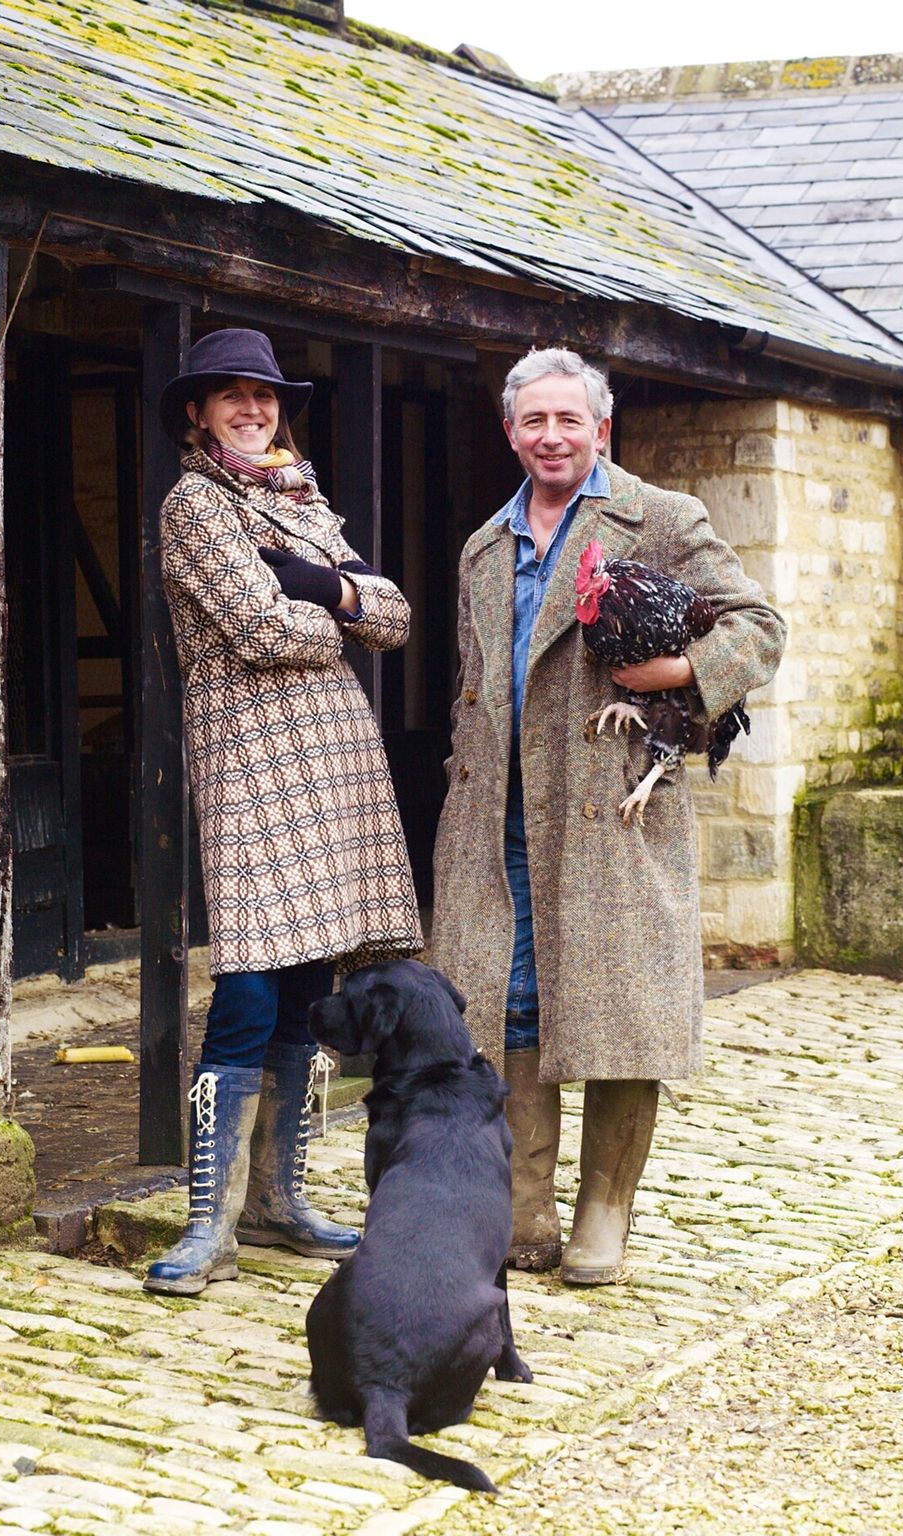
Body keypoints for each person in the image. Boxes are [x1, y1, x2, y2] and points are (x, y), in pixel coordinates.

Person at [429, 347, 785, 1286]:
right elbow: (475, 682)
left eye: (568, 420)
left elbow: (759, 626)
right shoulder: (482, 546)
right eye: (533, 422)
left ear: (602, 427)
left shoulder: (660, 518)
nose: (552, 437)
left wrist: (677, 676)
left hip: (610, 811)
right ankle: (525, 1206)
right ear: (511, 432)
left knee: (623, 1004)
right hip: (498, 810)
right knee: (508, 997)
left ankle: (605, 1211)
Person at [144, 328, 422, 1296]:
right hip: (255, 760)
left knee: (308, 982)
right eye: (231, 397)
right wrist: (334, 605)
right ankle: (206, 1221)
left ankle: (277, 1203)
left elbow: (395, 616)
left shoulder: (297, 497)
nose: (252, 410)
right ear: (198, 410)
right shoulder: (196, 502)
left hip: (333, 759)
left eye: (263, 396)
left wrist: (325, 584)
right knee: (250, 984)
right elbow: (258, 628)